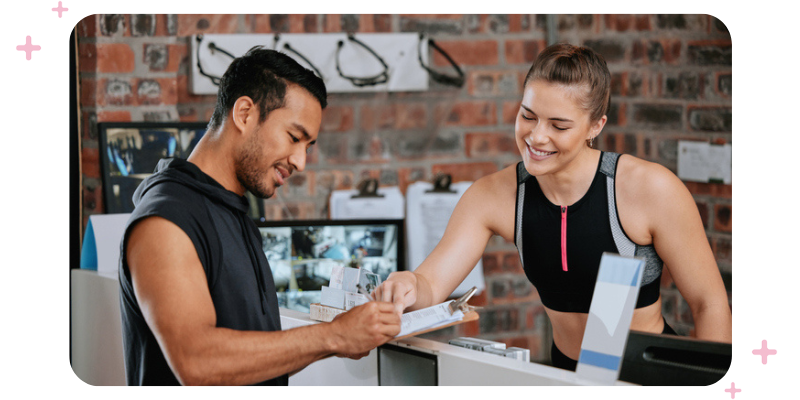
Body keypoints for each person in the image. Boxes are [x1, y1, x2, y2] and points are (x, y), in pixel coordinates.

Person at [372, 43, 732, 371]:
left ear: (595, 126)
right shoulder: (493, 195)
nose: (536, 137)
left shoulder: (650, 189)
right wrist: (408, 283)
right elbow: (431, 284)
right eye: (528, 116)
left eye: (559, 125)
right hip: (566, 375)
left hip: (647, 377)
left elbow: (708, 303)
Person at [119, 47, 401, 386]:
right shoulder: (165, 221)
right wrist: (334, 336)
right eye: (294, 137)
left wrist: (340, 338)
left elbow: (252, 361)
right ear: (244, 114)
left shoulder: (235, 213)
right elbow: (197, 362)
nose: (300, 161)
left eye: (308, 146)